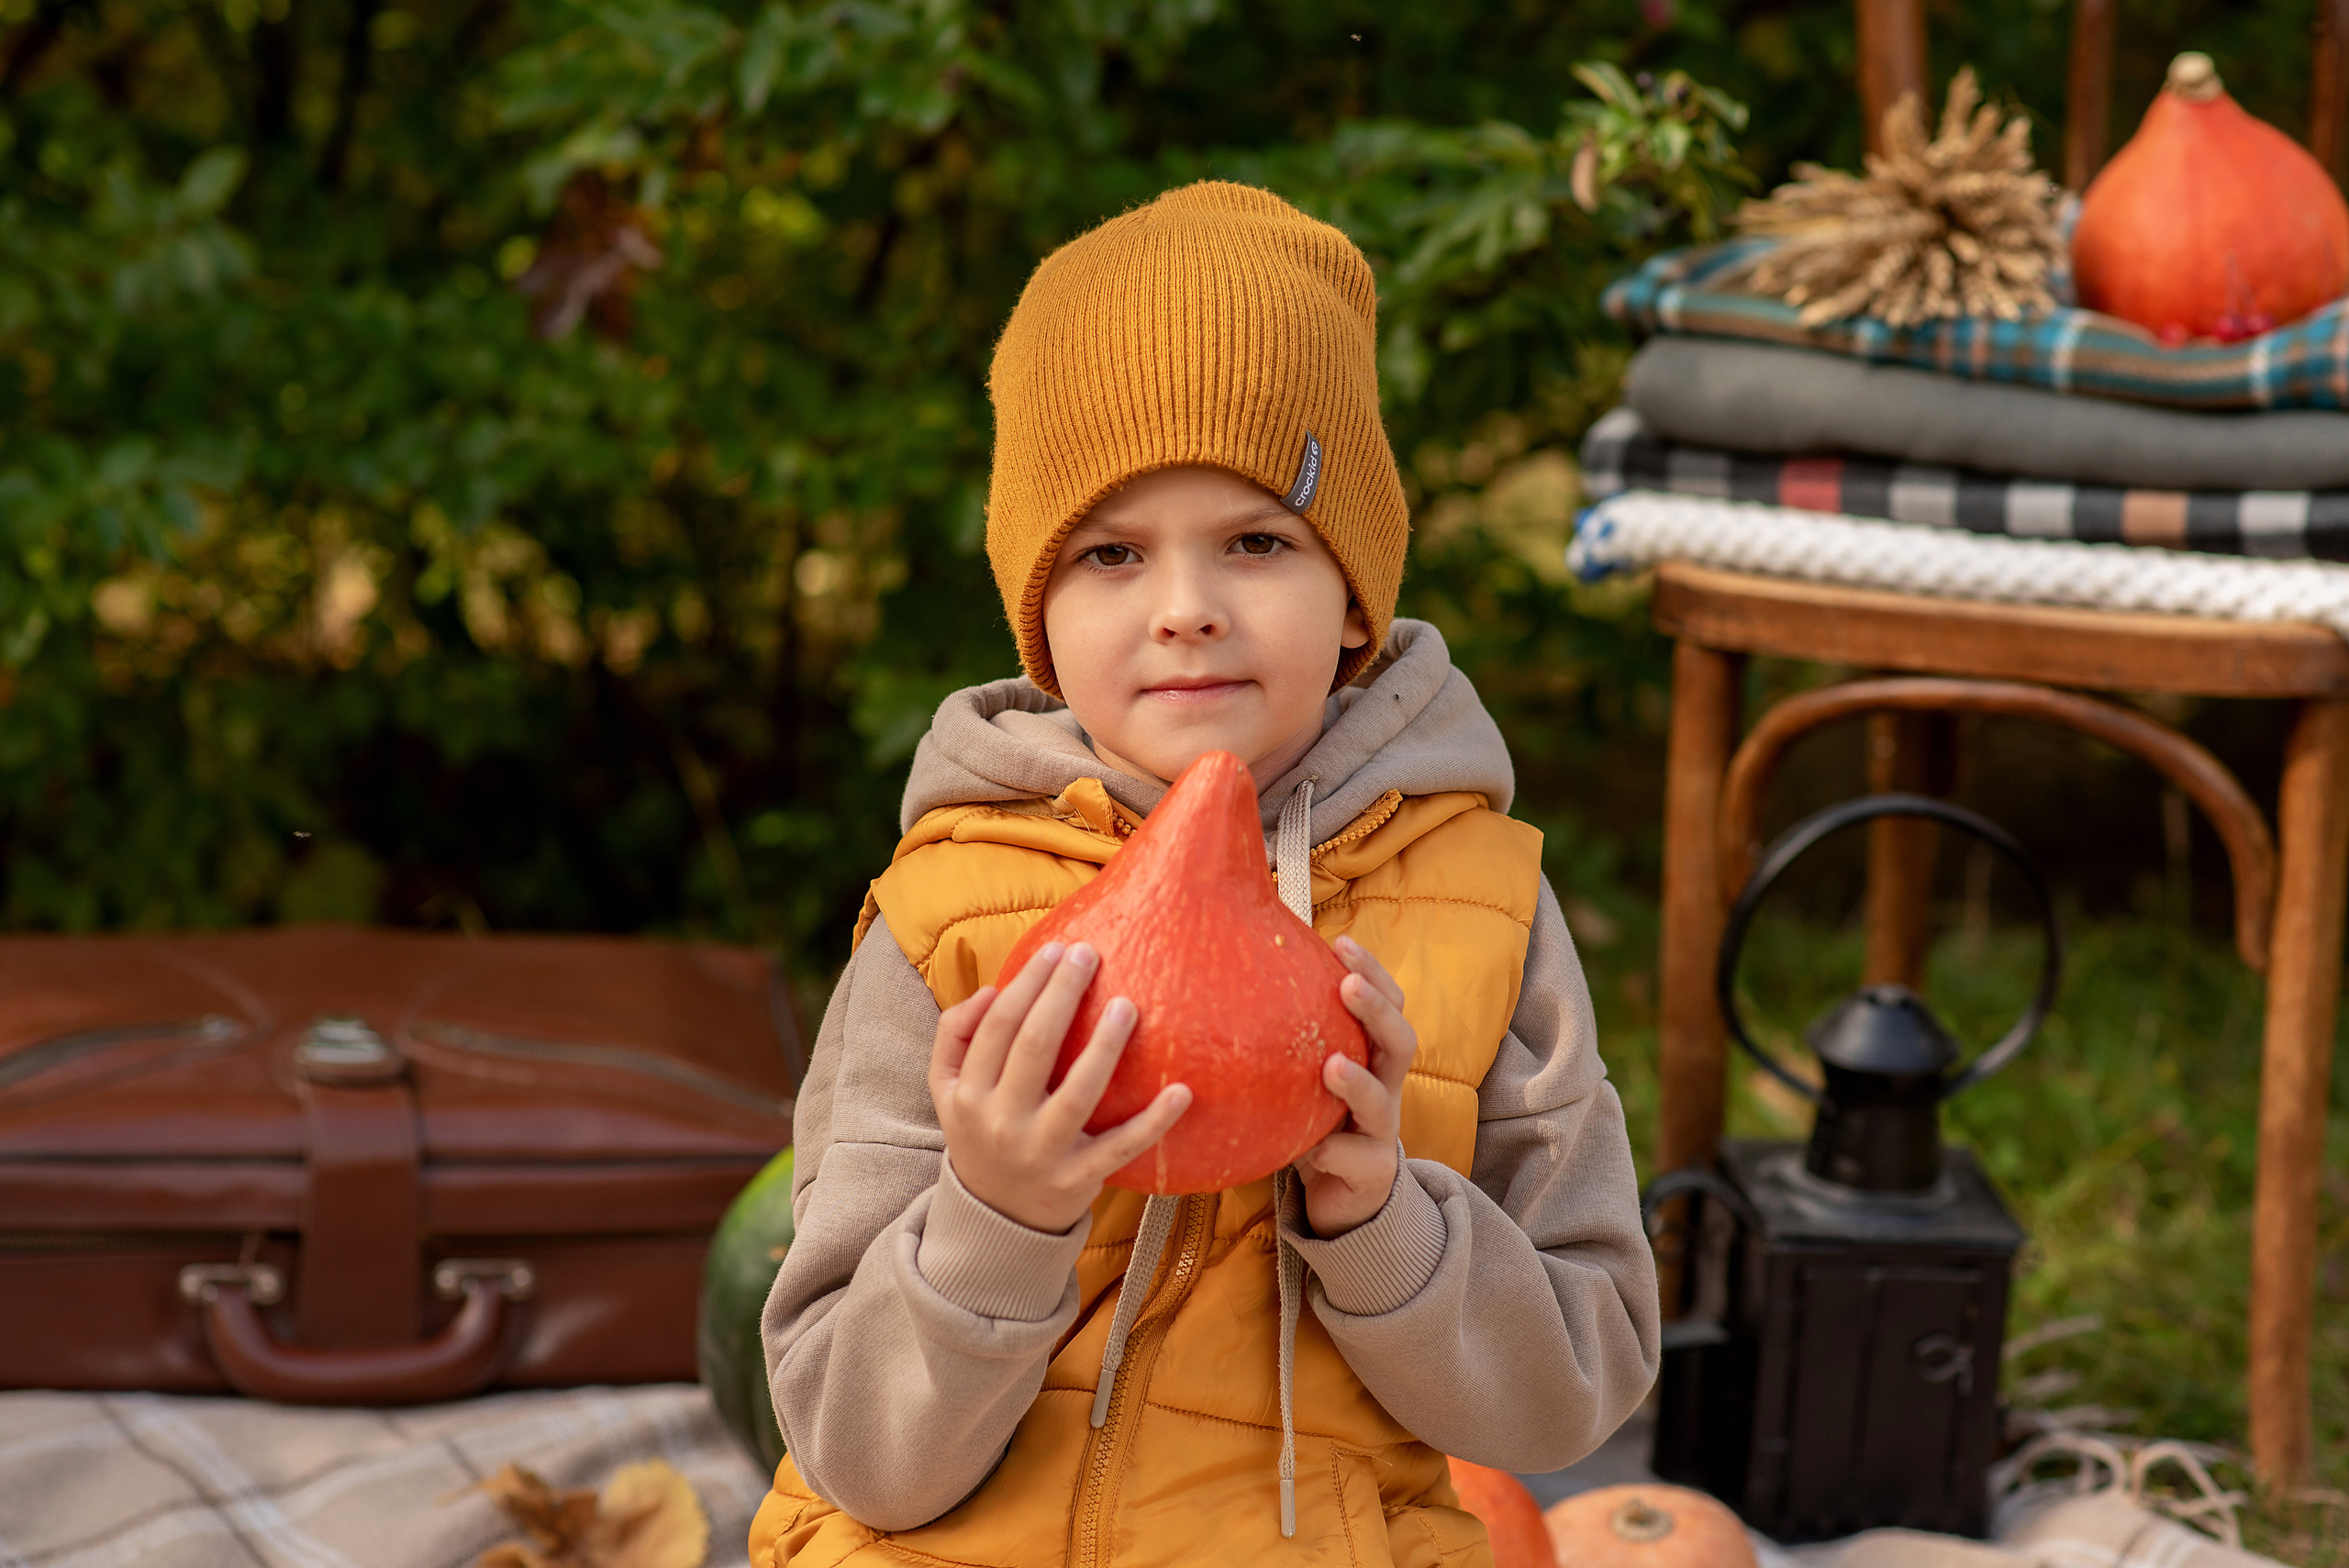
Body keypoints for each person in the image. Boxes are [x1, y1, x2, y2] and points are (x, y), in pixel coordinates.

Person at [749, 180, 1658, 1568]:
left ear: (1355, 589)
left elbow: (1572, 1392)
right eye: (1111, 553)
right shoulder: (951, 920)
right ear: (1039, 618)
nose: (1186, 604)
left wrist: (1385, 1221)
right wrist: (997, 1212)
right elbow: (857, 1444)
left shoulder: (1481, 911)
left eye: (1257, 540)